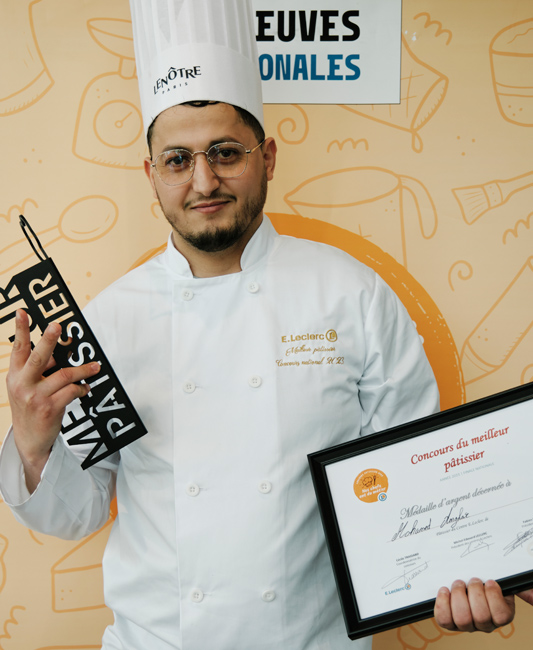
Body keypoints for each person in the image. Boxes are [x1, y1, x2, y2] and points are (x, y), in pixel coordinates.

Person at [1, 1, 532, 648]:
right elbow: (72, 516)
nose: (203, 180)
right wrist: (33, 444)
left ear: (269, 157)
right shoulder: (106, 321)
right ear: (151, 174)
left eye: (226, 152)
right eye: (177, 160)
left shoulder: (352, 294)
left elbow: (419, 477)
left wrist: (469, 564)